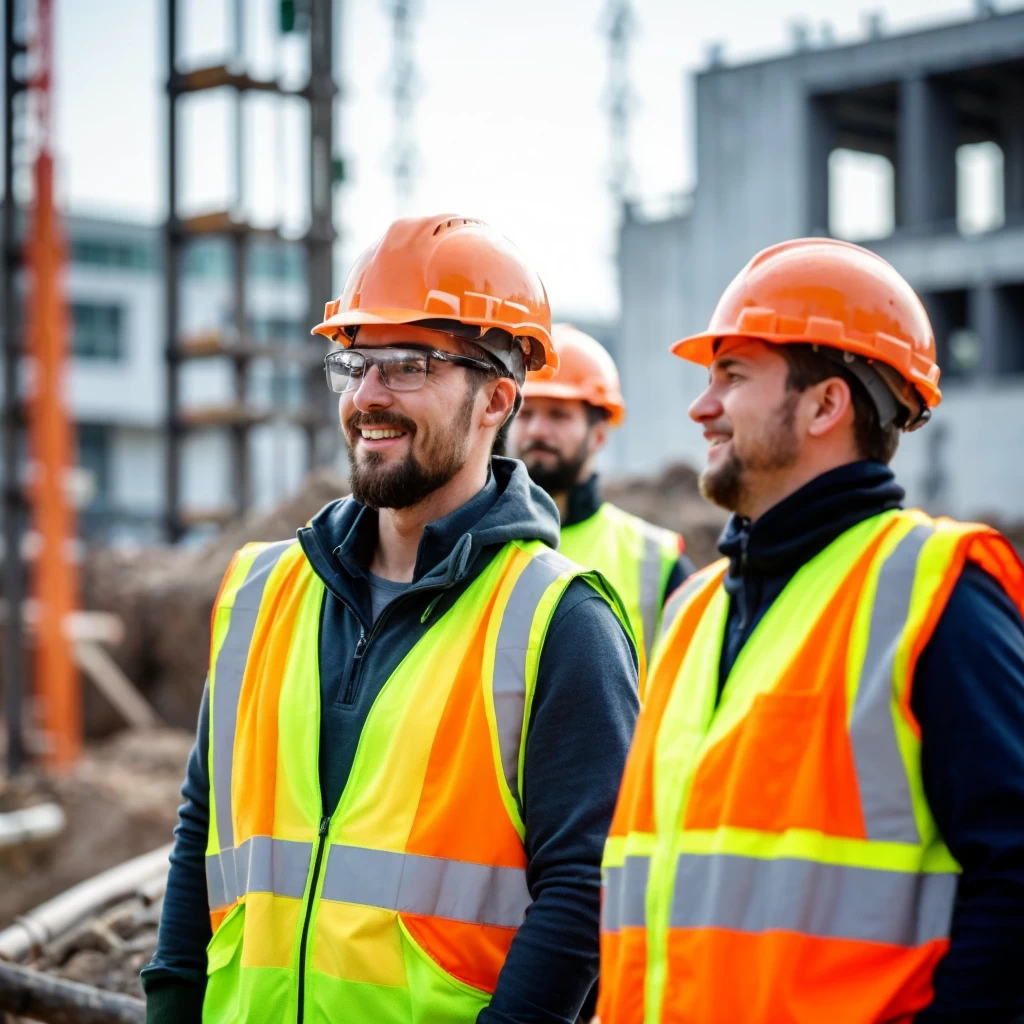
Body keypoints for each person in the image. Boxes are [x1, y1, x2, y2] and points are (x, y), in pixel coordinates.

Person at [141, 214, 640, 1024]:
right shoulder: (259, 591)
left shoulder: (560, 619)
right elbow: (203, 827)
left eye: (409, 365)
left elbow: (585, 890)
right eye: (356, 362)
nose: (368, 396)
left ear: (496, 401)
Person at [597, 238, 1024, 1024]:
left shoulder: (937, 593)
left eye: (733, 375)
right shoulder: (694, 614)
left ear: (826, 405)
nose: (701, 407)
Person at [510, 324, 693, 686]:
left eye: (559, 415)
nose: (537, 431)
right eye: (527, 413)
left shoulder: (657, 560)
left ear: (598, 435)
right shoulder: (467, 544)